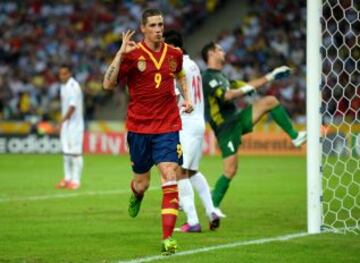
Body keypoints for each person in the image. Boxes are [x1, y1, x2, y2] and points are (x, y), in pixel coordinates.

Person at [102, 9, 193, 255]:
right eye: (152, 25)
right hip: (139, 128)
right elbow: (108, 84)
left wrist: (187, 97)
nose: (158, 29)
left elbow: (181, 74)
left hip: (168, 126)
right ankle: (136, 194)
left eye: (161, 24)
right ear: (143, 28)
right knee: (142, 183)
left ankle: (167, 238)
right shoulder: (132, 55)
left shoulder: (174, 53)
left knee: (169, 173)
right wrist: (120, 53)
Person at [201, 42, 306, 211]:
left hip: (237, 119)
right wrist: (246, 89)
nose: (223, 51)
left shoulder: (222, 77)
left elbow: (246, 85)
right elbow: (227, 96)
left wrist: (271, 76)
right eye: (220, 49)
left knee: (270, 101)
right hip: (225, 128)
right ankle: (212, 207)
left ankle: (295, 137)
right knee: (230, 170)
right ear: (211, 53)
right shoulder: (208, 77)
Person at [163, 30, 221, 233]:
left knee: (179, 171)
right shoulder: (194, 64)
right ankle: (211, 210)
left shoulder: (175, 66)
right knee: (192, 171)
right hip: (198, 122)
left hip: (186, 123)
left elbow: (177, 97)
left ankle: (193, 221)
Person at [56, 64, 84, 190]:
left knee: (75, 153)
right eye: (61, 74)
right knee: (66, 152)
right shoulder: (63, 86)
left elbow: (73, 107)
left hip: (75, 125)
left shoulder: (74, 86)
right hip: (66, 124)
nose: (62, 76)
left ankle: (76, 181)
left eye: (65, 73)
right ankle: (67, 179)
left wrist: (62, 120)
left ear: (70, 73)